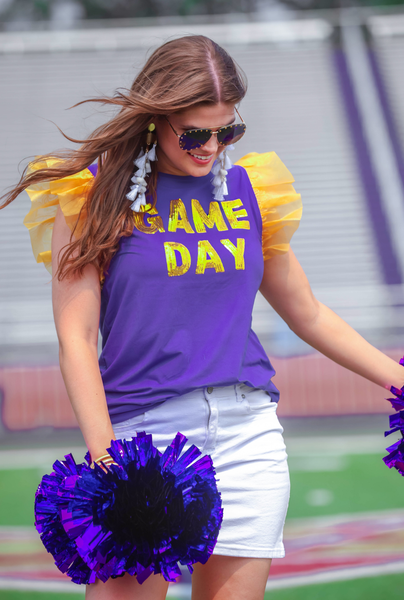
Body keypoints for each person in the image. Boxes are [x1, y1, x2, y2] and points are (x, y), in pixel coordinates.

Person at [1, 34, 403, 600]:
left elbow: (307, 313)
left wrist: (401, 383)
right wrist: (106, 462)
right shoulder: (89, 198)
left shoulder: (251, 189)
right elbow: (76, 338)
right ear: (154, 117)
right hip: (144, 439)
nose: (211, 146)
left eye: (227, 130)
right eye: (194, 132)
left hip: (249, 435)